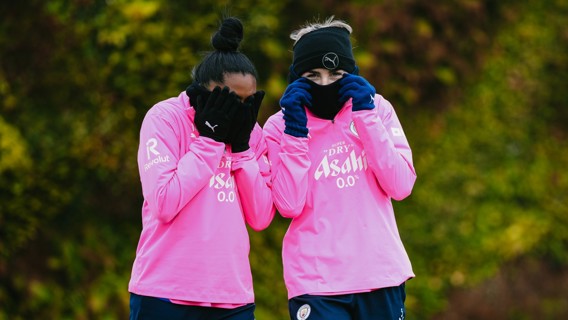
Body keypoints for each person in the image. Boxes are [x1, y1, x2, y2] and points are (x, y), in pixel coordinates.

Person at [263, 16, 417, 320]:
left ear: (351, 73)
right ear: (296, 77)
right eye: (312, 75)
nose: (325, 84)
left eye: (336, 74)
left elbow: (401, 186)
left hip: (380, 273)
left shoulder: (378, 109)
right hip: (315, 282)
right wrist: (296, 133)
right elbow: (289, 205)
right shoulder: (278, 126)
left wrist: (366, 117)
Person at [128, 17, 275, 320]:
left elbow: (261, 216)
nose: (238, 110)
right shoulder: (165, 118)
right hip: (165, 293)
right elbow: (165, 202)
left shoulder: (251, 132)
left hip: (232, 296)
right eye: (230, 100)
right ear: (204, 91)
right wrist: (209, 140)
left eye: (248, 102)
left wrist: (243, 150)